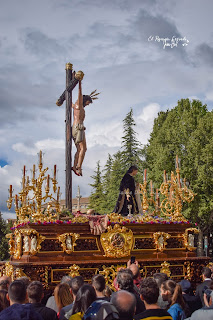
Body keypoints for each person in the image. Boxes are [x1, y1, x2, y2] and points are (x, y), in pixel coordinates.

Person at [72, 82, 99, 177]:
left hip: (77, 128)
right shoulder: (78, 105)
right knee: (83, 148)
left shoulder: (76, 106)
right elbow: (80, 93)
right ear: (85, 100)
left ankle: (75, 166)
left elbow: (71, 104)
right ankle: (78, 166)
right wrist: (79, 82)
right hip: (78, 128)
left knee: (79, 149)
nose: (88, 104)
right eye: (88, 102)